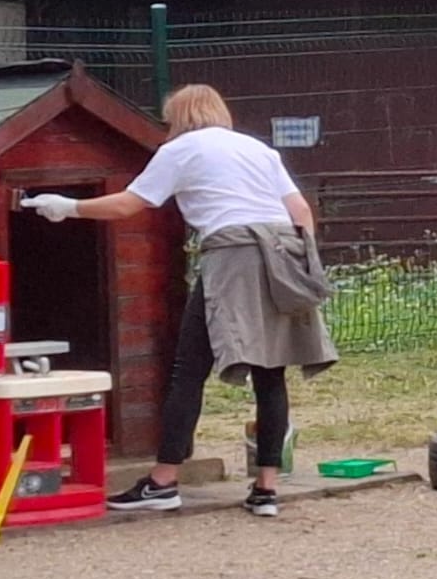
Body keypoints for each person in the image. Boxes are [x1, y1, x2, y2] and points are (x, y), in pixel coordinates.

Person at [23, 84, 337, 518]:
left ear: (180, 117)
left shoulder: (181, 149)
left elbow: (128, 204)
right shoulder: (257, 149)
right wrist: (301, 267)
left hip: (232, 256)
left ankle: (163, 481)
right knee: (271, 372)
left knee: (188, 369)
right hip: (283, 253)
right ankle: (266, 488)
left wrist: (68, 207)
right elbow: (301, 211)